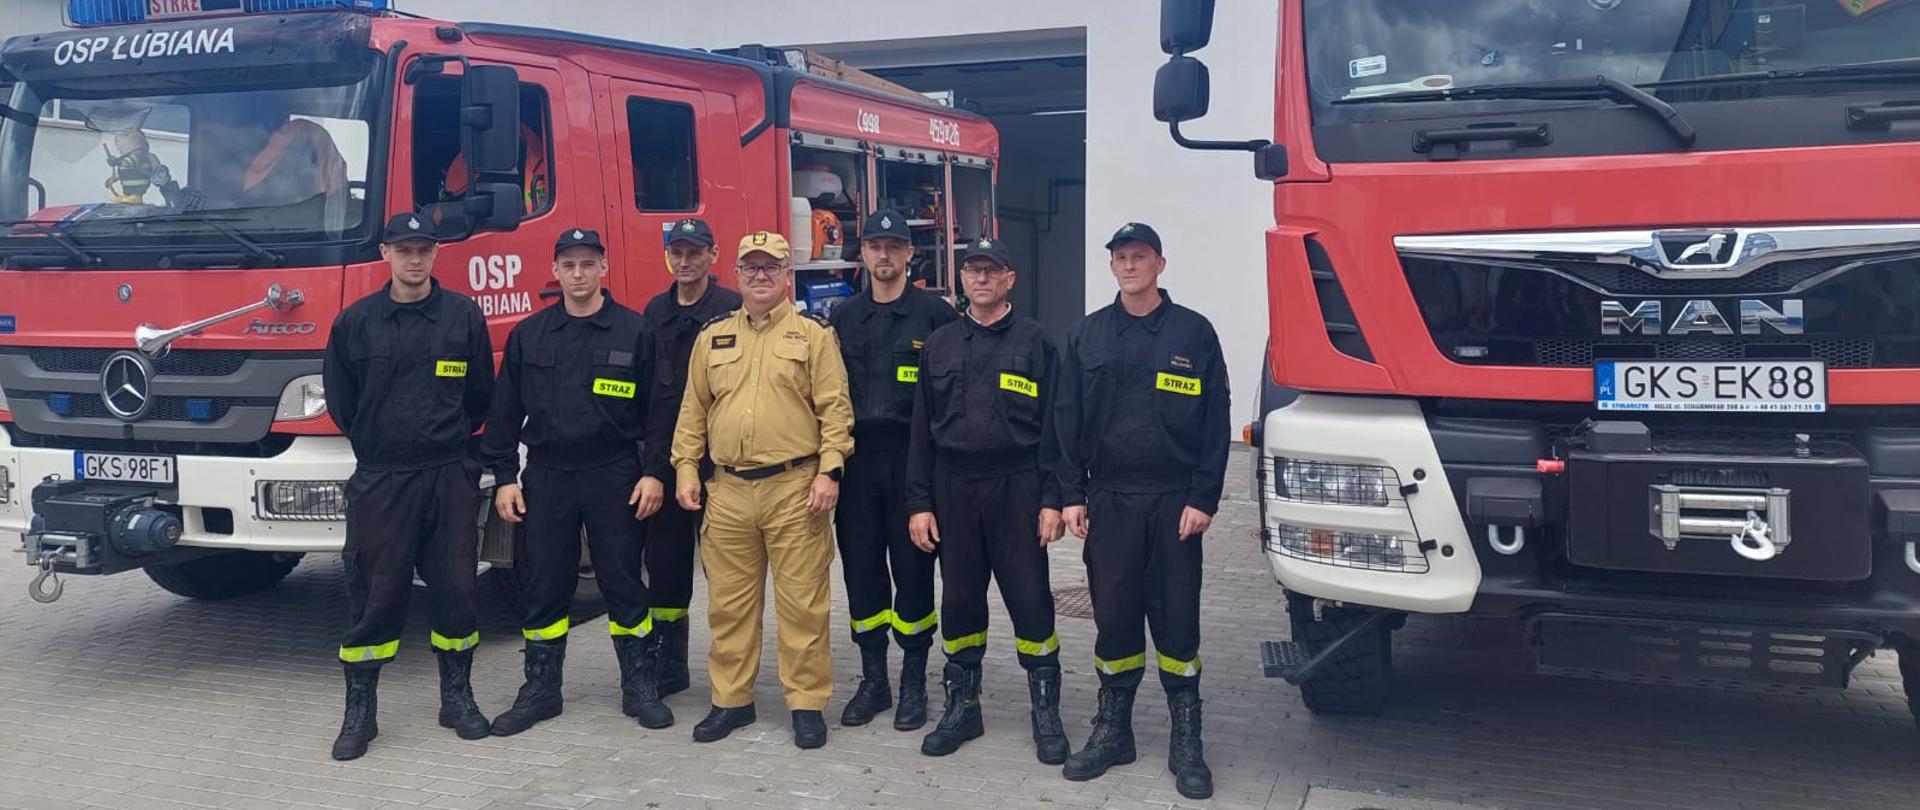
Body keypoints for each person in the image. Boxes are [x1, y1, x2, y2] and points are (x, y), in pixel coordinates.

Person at [1055, 223, 1229, 800]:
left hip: (1174, 501)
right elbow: (1067, 419)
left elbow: (1215, 421)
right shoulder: (1087, 336)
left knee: (1177, 618)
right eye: (1121, 257)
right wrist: (1072, 493)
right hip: (1110, 500)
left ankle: (1187, 740)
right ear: (1111, 267)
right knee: (1115, 616)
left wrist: (1205, 496)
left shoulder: (1193, 332)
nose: (1130, 265)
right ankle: (1113, 732)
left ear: (1160, 263)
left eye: (1140, 256)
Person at [482, 227, 672, 736]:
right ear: (556, 270)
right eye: (569, 265)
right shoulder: (531, 335)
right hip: (547, 474)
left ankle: (640, 685)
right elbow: (503, 413)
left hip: (614, 473)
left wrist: (655, 472)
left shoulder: (635, 332)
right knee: (546, 584)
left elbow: (659, 414)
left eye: (588, 263)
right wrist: (504, 477)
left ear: (603, 268)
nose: (579, 273)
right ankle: (541, 690)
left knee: (623, 581)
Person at [320, 213, 494, 761]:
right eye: (404, 249)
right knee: (375, 593)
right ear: (386, 253)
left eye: (423, 249)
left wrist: (452, 453)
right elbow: (343, 403)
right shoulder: (356, 323)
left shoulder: (463, 317)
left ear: (435, 254)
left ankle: (457, 698)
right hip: (382, 479)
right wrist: (383, 446)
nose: (414, 259)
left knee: (457, 589)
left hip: (448, 475)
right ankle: (360, 712)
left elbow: (480, 397)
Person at [671, 231, 853, 750]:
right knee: (728, 607)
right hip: (726, 491)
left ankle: (806, 703)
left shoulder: (814, 335)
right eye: (750, 268)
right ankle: (731, 701)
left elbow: (835, 411)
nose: (760, 276)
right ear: (735, 275)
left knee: (802, 606)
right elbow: (693, 413)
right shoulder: (713, 337)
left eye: (770, 267)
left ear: (786, 274)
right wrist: (686, 469)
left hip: (795, 487)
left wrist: (829, 470)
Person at [904, 237, 1069, 763]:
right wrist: (919, 503)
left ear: (1009, 279)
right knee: (960, 602)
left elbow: (1054, 431)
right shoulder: (941, 345)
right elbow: (919, 435)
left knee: (1031, 601)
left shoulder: (1037, 343)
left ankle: (1045, 713)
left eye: (991, 271)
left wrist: (1052, 498)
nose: (981, 279)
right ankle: (963, 708)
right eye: (973, 270)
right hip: (954, 489)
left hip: (1016, 486)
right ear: (963, 279)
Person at [827, 209, 959, 731]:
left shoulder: (936, 317)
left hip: (913, 460)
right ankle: (873, 679)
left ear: (910, 254)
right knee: (861, 573)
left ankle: (913, 681)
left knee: (913, 573)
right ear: (863, 253)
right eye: (875, 246)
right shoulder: (843, 317)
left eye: (893, 247)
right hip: (858, 462)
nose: (884, 255)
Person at [639, 217, 743, 695]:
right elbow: (650, 397)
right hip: (669, 458)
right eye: (677, 252)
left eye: (694, 252)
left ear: (712, 255)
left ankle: (732, 668)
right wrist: (652, 467)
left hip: (721, 463)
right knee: (665, 563)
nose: (685, 261)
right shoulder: (654, 311)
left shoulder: (733, 310)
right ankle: (669, 663)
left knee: (725, 570)